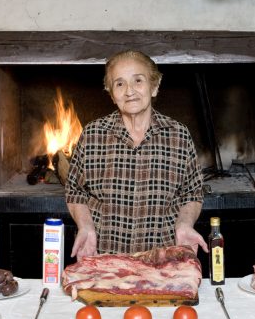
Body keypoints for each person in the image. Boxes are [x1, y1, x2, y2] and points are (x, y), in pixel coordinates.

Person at [65, 50, 208, 257]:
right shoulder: (93, 134)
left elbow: (192, 192)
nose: (129, 91)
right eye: (119, 84)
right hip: (105, 258)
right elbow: (75, 191)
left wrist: (185, 224)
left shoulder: (178, 134)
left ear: (154, 86)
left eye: (138, 81)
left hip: (162, 258)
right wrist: (85, 227)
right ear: (111, 94)